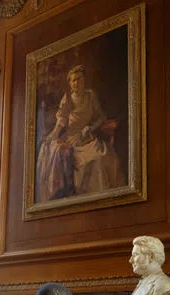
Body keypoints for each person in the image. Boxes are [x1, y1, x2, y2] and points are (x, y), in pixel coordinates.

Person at [36, 65, 123, 202]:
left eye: (78, 79)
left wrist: (90, 127)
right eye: (73, 80)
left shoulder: (90, 96)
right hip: (71, 139)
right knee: (77, 160)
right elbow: (61, 121)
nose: (76, 82)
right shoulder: (68, 99)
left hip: (87, 137)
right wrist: (53, 134)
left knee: (101, 157)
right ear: (70, 83)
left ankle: (101, 198)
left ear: (84, 80)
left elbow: (101, 116)